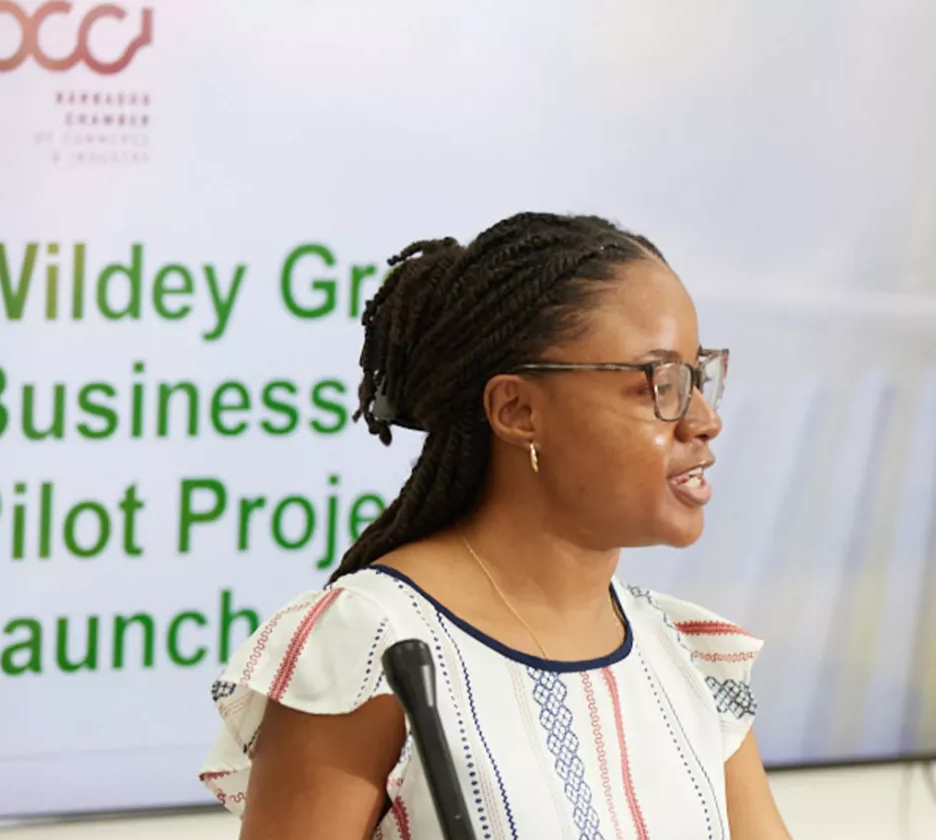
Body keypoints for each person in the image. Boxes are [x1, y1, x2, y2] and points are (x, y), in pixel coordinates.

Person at [199, 211, 793, 840]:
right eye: (660, 383)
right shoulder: (372, 646)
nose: (703, 419)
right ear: (517, 410)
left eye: (700, 378)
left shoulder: (689, 659)